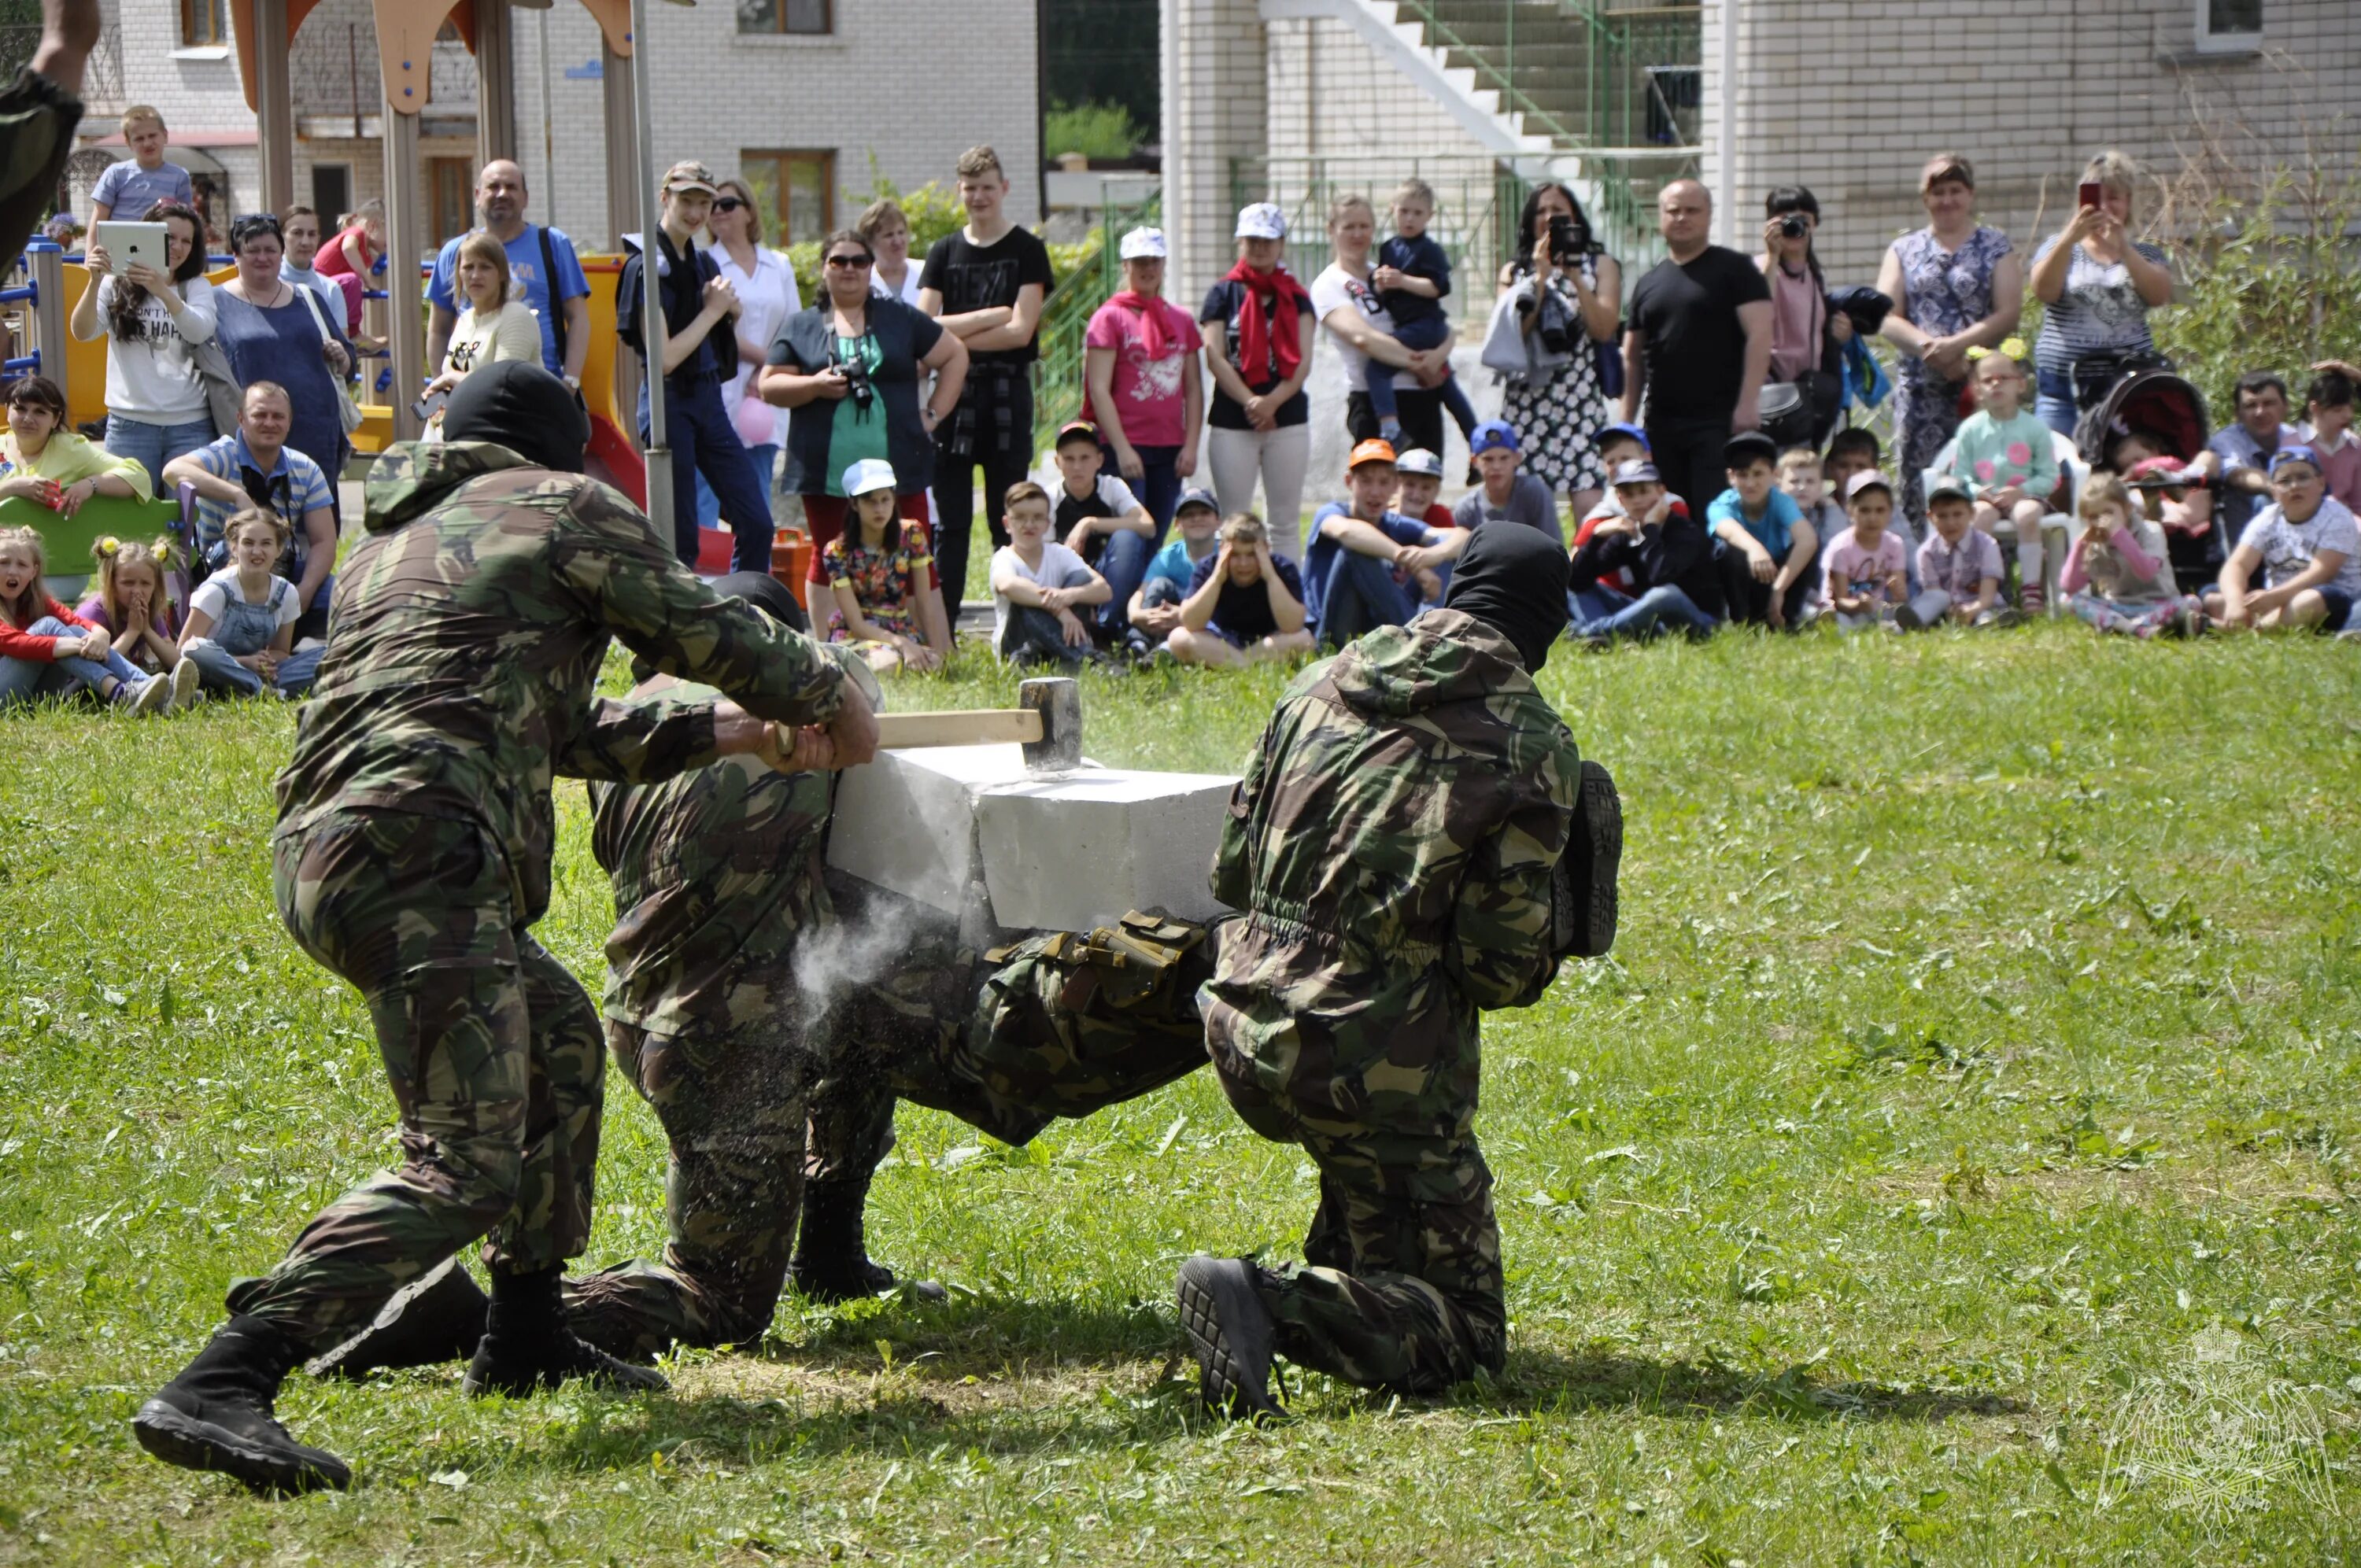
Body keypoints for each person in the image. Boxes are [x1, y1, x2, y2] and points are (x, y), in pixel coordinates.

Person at [127, 362, 878, 1497]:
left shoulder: (398, 538)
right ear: (556, 450)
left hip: (340, 847)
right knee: (463, 1160)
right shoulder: (560, 505)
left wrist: (731, 734)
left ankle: (524, 1329)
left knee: (561, 1040)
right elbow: (705, 625)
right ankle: (231, 1371)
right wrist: (820, 687)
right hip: (425, 851)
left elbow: (553, 725)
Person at [1173, 522, 1588, 1418]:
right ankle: (1266, 1303)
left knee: (1382, 1193)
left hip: (1243, 1018)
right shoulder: (1528, 737)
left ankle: (1348, 1262)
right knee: (1469, 1335)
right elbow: (1497, 964)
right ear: (1544, 623)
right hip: (1372, 1058)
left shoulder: (1321, 677)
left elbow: (1229, 874)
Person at [761, 227, 967, 570]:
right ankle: (837, 627)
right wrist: (814, 385)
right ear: (824, 267)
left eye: (859, 260)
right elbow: (769, 386)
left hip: (899, 464)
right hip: (826, 472)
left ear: (871, 267)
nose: (849, 268)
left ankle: (912, 626)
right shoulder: (802, 325)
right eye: (839, 260)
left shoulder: (899, 316)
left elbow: (955, 355)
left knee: (913, 561)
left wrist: (933, 413)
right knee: (830, 560)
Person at [922, 146, 1056, 627]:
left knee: (1012, 519)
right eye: (970, 188)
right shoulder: (942, 251)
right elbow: (922, 327)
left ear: (1004, 189)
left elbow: (1022, 332)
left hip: (1007, 397)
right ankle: (944, 629)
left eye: (987, 188)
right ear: (960, 191)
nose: (979, 197)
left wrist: (953, 336)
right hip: (952, 397)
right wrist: (990, 316)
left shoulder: (1027, 249)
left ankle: (1016, 628)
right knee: (951, 523)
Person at [614, 161, 772, 574]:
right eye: (687, 201)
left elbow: (717, 341)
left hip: (708, 400)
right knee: (680, 538)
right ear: (665, 198)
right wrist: (714, 310)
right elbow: (663, 358)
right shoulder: (644, 266)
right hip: (668, 405)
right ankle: (677, 629)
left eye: (705, 203)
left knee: (757, 521)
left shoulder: (705, 265)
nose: (696, 213)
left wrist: (730, 313)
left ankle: (747, 616)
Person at [1876, 154, 2023, 527]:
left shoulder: (1995, 246)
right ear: (1925, 199)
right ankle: (1924, 578)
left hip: (1980, 391)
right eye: (1937, 192)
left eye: (1955, 190)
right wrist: (1930, 348)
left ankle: (1989, 580)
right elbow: (1886, 316)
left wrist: (1959, 346)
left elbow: (2007, 313)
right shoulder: (1904, 250)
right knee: (1921, 488)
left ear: (1970, 194)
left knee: (1988, 486)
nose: (1947, 200)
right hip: (1921, 390)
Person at [1620, 179, 1773, 522]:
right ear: (1661, 216)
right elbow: (1632, 357)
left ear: (1708, 216)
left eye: (1692, 210)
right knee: (1667, 517)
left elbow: (1761, 336)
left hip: (1718, 422)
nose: (1682, 218)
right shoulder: (1648, 282)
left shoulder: (1737, 270)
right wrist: (1626, 423)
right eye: (1673, 210)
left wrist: (1748, 404)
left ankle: (1714, 578)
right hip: (1660, 425)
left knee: (1715, 518)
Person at [163, 380, 338, 641]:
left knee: (340, 598)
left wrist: (305, 591)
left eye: (278, 416)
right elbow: (173, 470)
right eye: (260, 415)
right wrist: (236, 495)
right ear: (241, 419)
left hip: (282, 567)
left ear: (290, 422)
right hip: (224, 565)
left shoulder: (306, 469)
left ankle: (290, 645)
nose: (270, 423)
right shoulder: (224, 453)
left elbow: (325, 541)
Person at [68, 198, 216, 494]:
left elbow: (199, 331)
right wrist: (94, 282)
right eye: (169, 237)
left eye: (187, 241)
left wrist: (162, 291)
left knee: (188, 521)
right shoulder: (114, 284)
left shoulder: (196, 286)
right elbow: (82, 332)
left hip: (189, 425)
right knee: (128, 527)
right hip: (130, 425)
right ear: (147, 236)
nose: (177, 247)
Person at [1496, 182, 1621, 522]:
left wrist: (1577, 279)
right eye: (1541, 211)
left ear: (1575, 218)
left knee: (1592, 512)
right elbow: (1514, 335)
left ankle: (1587, 575)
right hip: (1526, 403)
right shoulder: (1514, 271)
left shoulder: (1600, 265)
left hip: (1578, 401)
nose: (1549, 218)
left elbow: (1605, 328)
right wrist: (1539, 277)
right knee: (1526, 514)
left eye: (1559, 212)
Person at [212, 212, 355, 508]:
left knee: (317, 531)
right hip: (253, 437)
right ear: (235, 256)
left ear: (281, 254)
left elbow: (347, 363)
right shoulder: (214, 303)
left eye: (270, 250)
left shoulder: (308, 297)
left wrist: (342, 358)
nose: (263, 258)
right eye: (253, 250)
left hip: (315, 434)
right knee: (257, 535)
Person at [2028, 151, 2174, 437]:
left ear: (2129, 202)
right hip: (2062, 390)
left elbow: (2158, 295)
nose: (2105, 206)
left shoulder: (2146, 253)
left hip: (2127, 386)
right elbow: (2043, 290)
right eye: (2098, 198)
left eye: (2115, 198)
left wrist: (2124, 249)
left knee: (2123, 467)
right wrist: (2071, 237)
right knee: (2059, 470)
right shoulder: (2059, 246)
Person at [1201, 204, 1317, 559]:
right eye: (1252, 240)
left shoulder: (1297, 297)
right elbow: (1214, 355)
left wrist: (1272, 402)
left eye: (1268, 240)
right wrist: (1252, 401)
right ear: (1239, 242)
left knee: (1283, 521)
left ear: (1281, 244)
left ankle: (1287, 603)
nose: (1260, 247)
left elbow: (1303, 362)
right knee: (1234, 520)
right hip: (1233, 419)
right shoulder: (1223, 293)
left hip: (1287, 418)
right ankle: (1231, 600)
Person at [1315, 194, 1459, 463]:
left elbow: (1436, 321)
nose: (1358, 234)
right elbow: (1364, 338)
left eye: (1364, 226)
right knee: (1379, 493)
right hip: (1376, 404)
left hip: (1422, 394)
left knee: (1423, 492)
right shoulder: (1329, 283)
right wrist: (1420, 364)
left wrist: (1442, 352)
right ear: (1331, 230)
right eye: (1348, 227)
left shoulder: (1387, 273)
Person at [426, 161, 589, 387]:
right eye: (493, 186)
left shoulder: (552, 244)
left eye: (511, 187)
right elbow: (438, 329)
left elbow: (578, 317)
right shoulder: (455, 251)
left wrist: (570, 381)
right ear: (477, 195)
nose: (502, 194)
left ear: (526, 198)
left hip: (544, 390)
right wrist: (441, 387)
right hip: (468, 392)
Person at [1085, 226, 1202, 541]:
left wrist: (1190, 446)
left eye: (1154, 261)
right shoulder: (1110, 318)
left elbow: (1192, 387)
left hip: (1169, 447)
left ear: (1164, 264)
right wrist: (1123, 449)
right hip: (1126, 446)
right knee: (1128, 537)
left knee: (1158, 531)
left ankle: (1145, 592)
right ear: (1126, 266)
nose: (1148, 269)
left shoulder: (1182, 319)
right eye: (1139, 262)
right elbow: (1099, 388)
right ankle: (1120, 592)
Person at [702, 175, 800, 532]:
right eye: (711, 206)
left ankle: (757, 577)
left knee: (756, 492)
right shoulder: (706, 263)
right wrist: (766, 360)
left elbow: (793, 326)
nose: (717, 212)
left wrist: (766, 373)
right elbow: (714, 327)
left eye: (727, 204)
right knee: (706, 494)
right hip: (721, 387)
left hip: (764, 394)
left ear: (748, 212)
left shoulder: (780, 265)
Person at [0, 526, 183, 713]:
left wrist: (98, 633)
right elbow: (14, 643)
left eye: (21, 565)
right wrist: (79, 645)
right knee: (50, 626)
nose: (12, 571)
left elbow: (73, 620)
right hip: (11, 695)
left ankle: (160, 694)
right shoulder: (95, 608)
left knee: (76, 630)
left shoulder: (38, 601)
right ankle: (122, 693)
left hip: (33, 699)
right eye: (4, 563)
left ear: (33, 571)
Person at [1302, 439, 1465, 646]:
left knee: (1440, 550)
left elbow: (1462, 537)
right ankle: (1421, 642)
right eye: (1366, 481)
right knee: (1354, 551)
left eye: (1383, 482)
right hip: (1332, 632)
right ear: (1348, 481)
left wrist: (1436, 555)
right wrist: (1410, 562)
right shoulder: (1332, 512)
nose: (1375, 492)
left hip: (1376, 629)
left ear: (1395, 486)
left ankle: (1426, 634)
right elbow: (1347, 531)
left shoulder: (1392, 522)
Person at [1944, 352, 2063, 612]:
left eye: (2003, 378)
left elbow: (2050, 476)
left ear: (2021, 384)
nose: (1995, 384)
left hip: (2025, 496)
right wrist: (1977, 491)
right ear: (1977, 390)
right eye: (1988, 380)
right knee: (1981, 517)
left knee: (2027, 515)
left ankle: (2031, 588)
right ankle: (1981, 588)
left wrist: (2023, 491)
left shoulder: (2035, 428)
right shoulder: (1970, 430)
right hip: (1986, 499)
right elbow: (1961, 474)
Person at [1364, 179, 1477, 448]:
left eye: (1417, 213)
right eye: (1404, 211)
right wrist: (1380, 282)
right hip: (1411, 326)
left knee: (1377, 369)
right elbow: (1381, 290)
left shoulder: (1430, 250)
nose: (1410, 218)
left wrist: (1402, 280)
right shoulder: (1389, 247)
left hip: (1425, 326)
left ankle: (1391, 429)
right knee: (1445, 386)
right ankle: (1476, 441)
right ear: (1393, 210)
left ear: (1430, 216)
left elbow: (1438, 287)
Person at [1566, 458, 1723, 642]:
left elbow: (1661, 577)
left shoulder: (1685, 531)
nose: (1637, 500)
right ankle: (1603, 636)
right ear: (1620, 500)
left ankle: (1587, 632)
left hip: (1699, 619)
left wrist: (1651, 529)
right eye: (1629, 494)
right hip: (1653, 619)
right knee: (1570, 581)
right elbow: (1577, 582)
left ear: (1661, 492)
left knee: (1666, 595)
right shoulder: (1628, 532)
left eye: (1644, 491)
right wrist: (1596, 538)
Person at [2208, 446, 2361, 633]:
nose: (2294, 486)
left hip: (2331, 599)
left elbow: (2321, 573)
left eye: (2303, 478)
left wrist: (2275, 597)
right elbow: (2237, 564)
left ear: (2321, 483)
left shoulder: (2337, 517)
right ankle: (2236, 623)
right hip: (2276, 600)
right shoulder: (2268, 518)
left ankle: (2243, 631)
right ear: (2273, 492)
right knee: (2213, 594)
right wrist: (2235, 603)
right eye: (2284, 481)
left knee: (2309, 600)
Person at [821, 457, 951, 672]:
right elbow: (856, 623)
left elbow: (924, 602)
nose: (879, 508)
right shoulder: (836, 552)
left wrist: (937, 650)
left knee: (932, 665)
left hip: (901, 626)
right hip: (858, 633)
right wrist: (901, 644)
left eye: (885, 499)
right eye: (870, 501)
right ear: (854, 504)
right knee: (886, 665)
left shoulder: (912, 534)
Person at [175, 506, 320, 698]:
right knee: (197, 648)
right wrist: (245, 662)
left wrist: (263, 662)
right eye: (248, 543)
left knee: (327, 654)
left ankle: (249, 688)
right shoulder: (216, 590)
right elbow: (183, 651)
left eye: (266, 543)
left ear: (279, 549)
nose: (257, 551)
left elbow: (281, 652)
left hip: (261, 674)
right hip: (215, 672)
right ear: (234, 547)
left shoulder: (286, 593)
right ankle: (259, 690)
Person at [1039, 422, 1154, 641]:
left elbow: (1147, 526)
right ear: (1057, 462)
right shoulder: (1049, 497)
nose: (1077, 467)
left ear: (1099, 460)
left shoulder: (1112, 487)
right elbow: (1044, 556)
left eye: (1085, 458)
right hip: (1071, 580)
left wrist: (1090, 523)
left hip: (1111, 573)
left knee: (1127, 538)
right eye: (1069, 459)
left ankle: (1108, 624)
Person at [1757, 186, 1849, 445]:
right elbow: (1758, 308)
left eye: (1803, 221)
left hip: (1808, 396)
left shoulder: (1815, 275)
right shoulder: (1760, 267)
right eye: (1786, 220)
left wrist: (1840, 332)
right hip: (1770, 393)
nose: (1795, 228)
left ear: (1814, 225)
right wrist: (1772, 255)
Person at [2062, 473, 2200, 638]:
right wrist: (2080, 547)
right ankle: (2137, 630)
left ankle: (2123, 627)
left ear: (2127, 509)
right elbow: (2069, 587)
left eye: (2108, 513)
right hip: (2118, 606)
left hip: (2156, 604)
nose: (2102, 521)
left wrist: (2120, 536)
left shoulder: (2152, 531)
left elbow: (2147, 573)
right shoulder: (2096, 543)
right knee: (2067, 601)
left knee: (2191, 602)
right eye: (2094, 517)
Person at [421, 231, 543, 417]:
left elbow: (502, 387)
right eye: (468, 267)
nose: (475, 275)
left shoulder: (517, 317)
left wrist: (451, 378)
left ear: (502, 274)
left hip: (504, 433)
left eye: (485, 267)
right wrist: (432, 402)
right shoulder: (465, 320)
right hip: (459, 427)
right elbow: (455, 389)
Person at [1169, 511, 1312, 669]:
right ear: (1222, 549)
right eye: (1235, 555)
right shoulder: (1209, 567)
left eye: (1251, 554)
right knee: (1178, 638)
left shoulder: (1283, 568)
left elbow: (1292, 626)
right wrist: (1217, 579)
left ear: (1266, 549)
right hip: (1222, 641)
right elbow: (1190, 623)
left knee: (1304, 641)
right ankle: (1247, 664)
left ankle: (1239, 664)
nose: (1244, 563)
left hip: (1268, 640)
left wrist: (1270, 576)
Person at [990, 479, 1110, 666]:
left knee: (1081, 579)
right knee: (1024, 600)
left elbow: (1104, 590)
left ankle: (1058, 653)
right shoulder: (1004, 557)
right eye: (1020, 517)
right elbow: (1008, 586)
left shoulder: (1059, 553)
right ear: (1007, 523)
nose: (1029, 524)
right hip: (1016, 645)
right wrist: (1060, 610)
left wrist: (1068, 595)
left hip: (1058, 640)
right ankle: (1087, 660)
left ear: (1048, 523)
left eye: (1037, 517)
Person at [1707, 430, 1817, 628]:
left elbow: (1807, 539)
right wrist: (1754, 549)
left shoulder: (1781, 501)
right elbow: (1727, 528)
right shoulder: (1722, 504)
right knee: (1726, 549)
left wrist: (1779, 589)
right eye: (1742, 475)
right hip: (1742, 582)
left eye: (1758, 474)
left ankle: (1786, 618)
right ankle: (1740, 620)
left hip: (1773, 578)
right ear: (1731, 477)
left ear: (1774, 475)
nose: (1750, 483)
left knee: (1806, 550)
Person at [2, 372, 148, 513]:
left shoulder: (70, 449)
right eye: (20, 409)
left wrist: (91, 485)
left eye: (40, 412)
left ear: (56, 419)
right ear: (8, 411)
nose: (28, 419)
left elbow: (138, 476)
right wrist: (12, 487)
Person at [1906, 478, 2014, 629]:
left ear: (1971, 514)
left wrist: (1972, 610)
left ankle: (1989, 623)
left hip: (1981, 603)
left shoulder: (1987, 545)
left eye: (1957, 514)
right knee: (1931, 603)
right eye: (1942, 516)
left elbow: (1988, 594)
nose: (1950, 523)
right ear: (1930, 517)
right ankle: (1911, 622)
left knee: (1986, 613)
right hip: (1946, 608)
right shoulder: (1927, 552)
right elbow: (1933, 592)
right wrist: (1952, 611)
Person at [1127, 485, 1223, 645]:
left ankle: (1168, 647)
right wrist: (1136, 614)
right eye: (1189, 515)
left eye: (1205, 513)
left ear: (1218, 522)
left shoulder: (1227, 555)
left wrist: (1184, 615)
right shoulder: (1168, 556)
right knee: (1159, 584)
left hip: (1212, 618)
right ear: (1178, 525)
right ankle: (1139, 642)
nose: (1197, 518)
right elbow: (1141, 593)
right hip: (1170, 614)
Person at [1820, 470, 1911, 631]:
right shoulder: (1841, 547)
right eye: (1864, 510)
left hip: (1875, 606)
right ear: (1850, 510)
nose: (1872, 518)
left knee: (1894, 620)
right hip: (1844, 608)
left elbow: (1900, 596)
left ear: (1890, 512)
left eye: (1880, 510)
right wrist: (1859, 605)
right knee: (1843, 622)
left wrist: (1898, 591)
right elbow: (1840, 600)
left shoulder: (1894, 544)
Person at [76, 533, 179, 673]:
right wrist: (132, 631)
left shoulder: (147, 611)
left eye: (145, 584)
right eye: (128, 583)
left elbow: (176, 661)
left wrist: (147, 629)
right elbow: (96, 670)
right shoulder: (94, 612)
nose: (137, 591)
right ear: (111, 583)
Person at [1451, 421, 1560, 540]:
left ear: (1517, 458)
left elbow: (1553, 546)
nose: (1496, 466)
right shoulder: (1467, 509)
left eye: (1504, 458)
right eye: (1488, 459)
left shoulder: (1535, 493)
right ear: (1474, 462)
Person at [87, 104, 193, 223]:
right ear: (128, 143)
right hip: (121, 240)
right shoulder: (116, 174)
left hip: (160, 240)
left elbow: (186, 222)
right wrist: (92, 242)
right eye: (139, 139)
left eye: (152, 136)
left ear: (165, 135)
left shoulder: (179, 177)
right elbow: (98, 220)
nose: (147, 143)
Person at [279, 205, 362, 338]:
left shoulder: (331, 289)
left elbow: (343, 349)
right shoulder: (266, 284)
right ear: (281, 237)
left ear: (318, 239)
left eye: (311, 234)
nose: (305, 242)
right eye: (297, 233)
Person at [2297, 368, 2360, 511]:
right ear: (2315, 408)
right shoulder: (2294, 445)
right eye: (2338, 410)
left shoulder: (2354, 446)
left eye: (2351, 408)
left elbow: (2358, 502)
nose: (2348, 416)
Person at [858, 197, 926, 308]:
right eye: (889, 235)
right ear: (870, 242)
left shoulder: (926, 271)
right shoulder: (863, 281)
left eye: (901, 232)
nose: (898, 241)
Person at [1393, 447, 1453, 531]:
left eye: (1426, 488)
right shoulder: (1382, 517)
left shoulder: (1440, 517)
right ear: (1395, 485)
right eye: (1410, 485)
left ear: (1437, 491)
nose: (1417, 495)